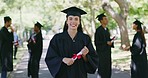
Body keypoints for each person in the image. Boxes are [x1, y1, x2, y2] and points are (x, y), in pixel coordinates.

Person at [45, 6, 98, 78]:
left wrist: (85, 56)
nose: (73, 21)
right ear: (66, 21)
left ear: (79, 22)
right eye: (70, 19)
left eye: (76, 19)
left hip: (80, 74)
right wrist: (63, 59)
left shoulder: (85, 38)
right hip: (63, 74)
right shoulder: (57, 39)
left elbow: (94, 58)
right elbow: (50, 57)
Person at [94, 13, 114, 78]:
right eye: (105, 19)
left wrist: (111, 41)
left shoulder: (107, 29)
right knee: (102, 69)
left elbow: (108, 40)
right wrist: (106, 43)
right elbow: (97, 42)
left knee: (108, 68)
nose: (107, 20)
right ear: (101, 21)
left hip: (107, 52)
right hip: (101, 53)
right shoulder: (98, 30)